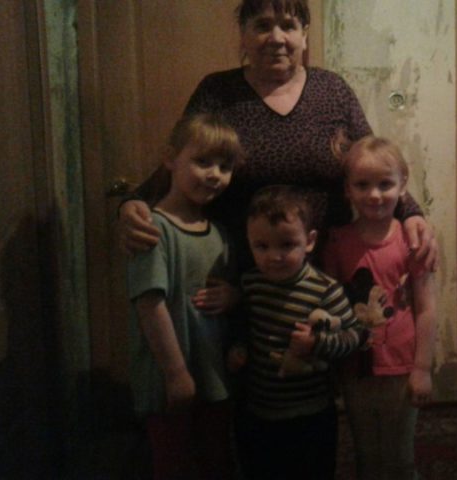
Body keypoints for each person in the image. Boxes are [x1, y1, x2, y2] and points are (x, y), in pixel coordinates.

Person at [118, 0, 438, 271]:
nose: (276, 38)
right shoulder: (217, 91)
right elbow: (182, 163)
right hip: (240, 275)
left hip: (328, 268)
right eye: (262, 26)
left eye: (288, 26)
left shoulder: (332, 90)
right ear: (243, 35)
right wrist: (134, 203)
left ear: (304, 35)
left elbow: (374, 163)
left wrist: (411, 214)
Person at [126, 113, 244, 479]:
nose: (214, 174)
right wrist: (176, 373)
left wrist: (233, 297)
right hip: (170, 379)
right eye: (202, 161)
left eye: (224, 167)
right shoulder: (152, 229)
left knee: (217, 462)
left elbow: (226, 296)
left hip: (213, 376)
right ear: (170, 158)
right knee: (174, 464)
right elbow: (149, 304)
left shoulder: (220, 233)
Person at [227, 184, 366, 479]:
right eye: (262, 246)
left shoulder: (325, 289)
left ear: (310, 241)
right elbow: (243, 326)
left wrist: (317, 343)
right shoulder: (250, 283)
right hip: (260, 409)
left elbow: (356, 335)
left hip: (311, 413)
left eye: (287, 244)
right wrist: (238, 348)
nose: (274, 256)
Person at [323, 136, 437, 480]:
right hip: (354, 367)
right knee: (366, 454)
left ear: (403, 184)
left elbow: (426, 308)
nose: (374, 195)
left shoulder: (412, 240)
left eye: (384, 184)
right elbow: (330, 309)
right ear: (347, 189)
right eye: (362, 185)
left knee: (400, 456)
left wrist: (422, 368)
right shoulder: (337, 241)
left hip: (401, 367)